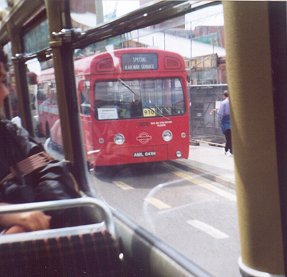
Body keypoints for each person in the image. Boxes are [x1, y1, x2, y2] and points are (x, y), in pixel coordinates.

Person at [0, 48, 78, 234]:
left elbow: (52, 173)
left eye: (3, 81)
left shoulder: (10, 135)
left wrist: (35, 217)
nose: (5, 92)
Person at [217, 90, 232, 155]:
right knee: (230, 137)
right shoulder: (233, 102)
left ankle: (227, 150)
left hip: (226, 122)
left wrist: (219, 121)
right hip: (232, 122)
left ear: (224, 96)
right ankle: (229, 150)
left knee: (228, 137)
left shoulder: (224, 103)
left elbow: (220, 114)